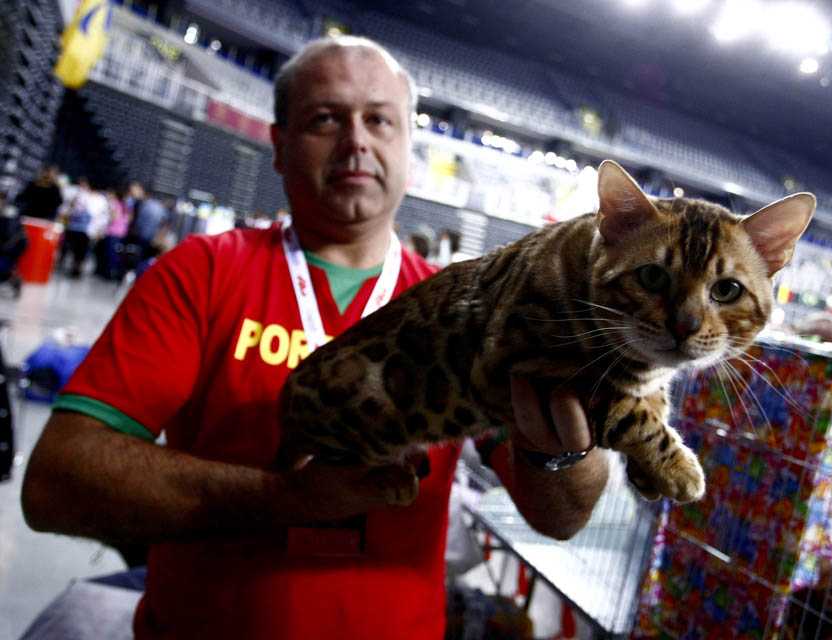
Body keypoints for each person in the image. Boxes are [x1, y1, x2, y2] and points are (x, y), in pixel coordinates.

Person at [20, 36, 608, 639]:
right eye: (326, 118)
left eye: (379, 119)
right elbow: (57, 482)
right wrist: (288, 497)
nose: (356, 141)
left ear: (408, 145)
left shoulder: (476, 310)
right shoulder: (202, 271)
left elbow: (560, 515)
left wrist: (565, 446)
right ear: (278, 146)